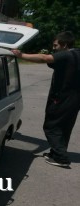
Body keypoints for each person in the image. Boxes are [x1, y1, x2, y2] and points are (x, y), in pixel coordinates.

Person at [12, 31, 80, 168]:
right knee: (64, 127)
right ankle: (56, 153)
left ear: (64, 44)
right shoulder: (77, 53)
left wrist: (21, 55)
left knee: (51, 126)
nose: (54, 48)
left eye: (56, 45)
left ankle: (61, 157)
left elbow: (45, 58)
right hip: (74, 98)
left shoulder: (66, 55)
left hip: (62, 98)